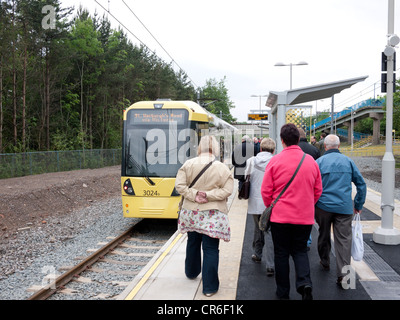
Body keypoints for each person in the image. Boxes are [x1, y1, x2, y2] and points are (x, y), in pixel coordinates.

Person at [261, 123, 322, 300]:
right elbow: (318, 190)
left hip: (280, 218)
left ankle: (283, 293)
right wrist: (307, 204)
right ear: (297, 139)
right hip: (304, 218)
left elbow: (266, 191)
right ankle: (305, 283)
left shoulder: (275, 161)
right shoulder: (310, 161)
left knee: (281, 254)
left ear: (282, 141)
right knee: (300, 251)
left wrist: (272, 206)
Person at [175, 135, 234, 297]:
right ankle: (209, 288)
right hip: (213, 214)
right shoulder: (222, 168)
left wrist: (194, 194)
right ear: (215, 148)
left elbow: (179, 185)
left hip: (191, 212)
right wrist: (209, 195)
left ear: (199, 147)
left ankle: (192, 272)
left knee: (193, 241)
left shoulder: (188, 164)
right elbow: (228, 190)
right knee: (210, 248)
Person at [315, 134, 366, 286]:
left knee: (323, 234)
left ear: (325, 146)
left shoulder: (319, 162)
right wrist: (358, 204)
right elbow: (361, 184)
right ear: (339, 146)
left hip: (323, 206)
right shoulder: (348, 161)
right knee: (344, 241)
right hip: (344, 207)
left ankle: (325, 261)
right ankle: (346, 278)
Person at [245, 138, 276, 276]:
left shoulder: (251, 161)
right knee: (269, 231)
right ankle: (271, 264)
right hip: (270, 202)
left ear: (261, 149)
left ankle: (257, 254)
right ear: (273, 150)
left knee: (258, 228)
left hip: (255, 201)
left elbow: (247, 177)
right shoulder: (276, 161)